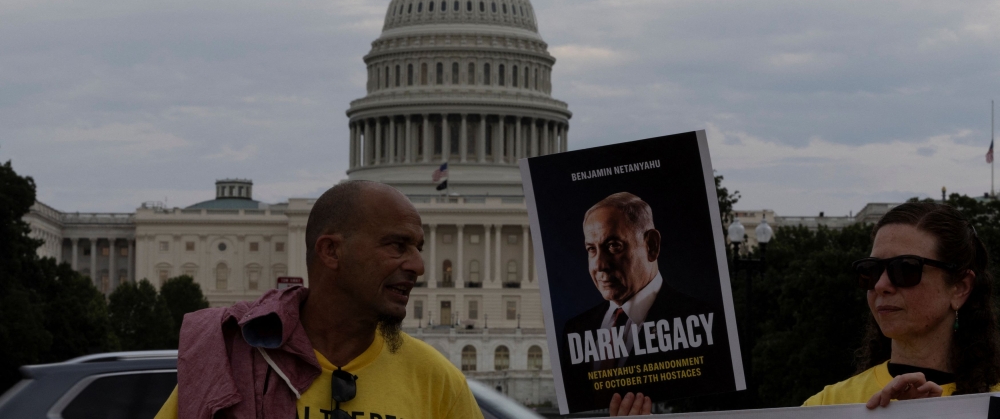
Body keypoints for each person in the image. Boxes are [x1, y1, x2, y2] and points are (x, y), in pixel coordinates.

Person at [153, 180, 483, 419]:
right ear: (331, 251)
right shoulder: (232, 363)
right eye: (398, 245)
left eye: (417, 248)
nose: (418, 266)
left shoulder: (438, 381)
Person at [804, 201, 1000, 408]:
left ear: (960, 287)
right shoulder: (825, 406)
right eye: (871, 270)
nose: (880, 285)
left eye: (905, 269)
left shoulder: (993, 403)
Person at [560, 192, 727, 414]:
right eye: (592, 249)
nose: (600, 265)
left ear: (651, 245)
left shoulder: (707, 325)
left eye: (613, 246)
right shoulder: (576, 330)